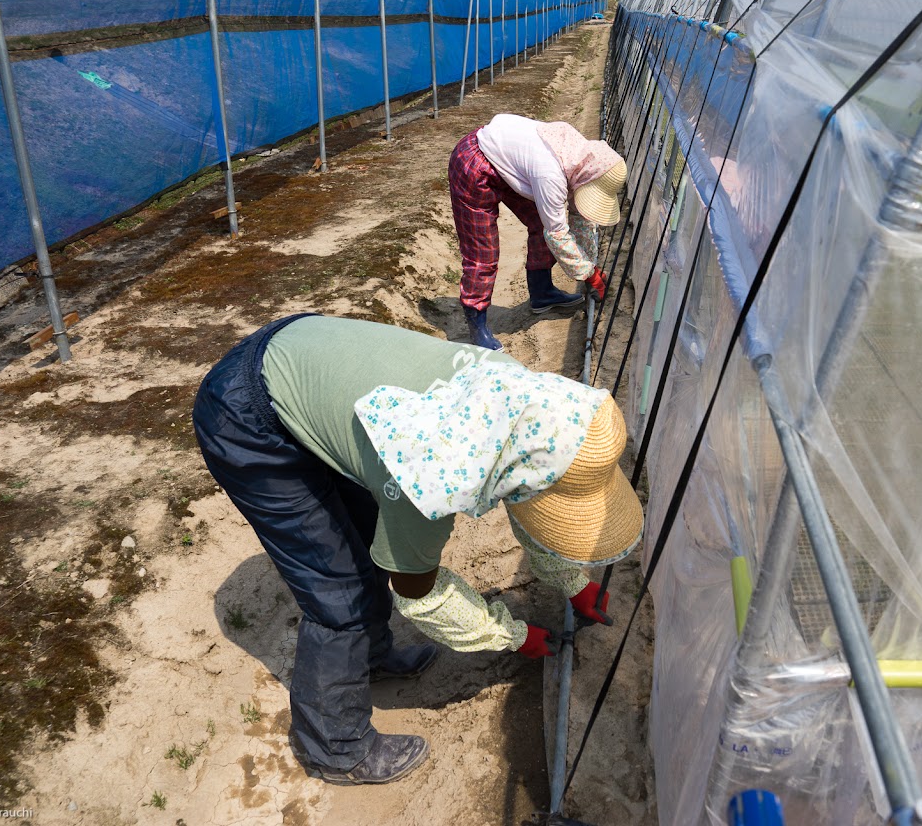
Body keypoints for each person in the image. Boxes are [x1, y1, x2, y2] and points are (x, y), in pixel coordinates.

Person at [192, 314, 644, 786]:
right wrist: (510, 635)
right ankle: (334, 748)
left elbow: (526, 497)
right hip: (248, 417)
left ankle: (369, 656)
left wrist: (574, 584)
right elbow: (419, 592)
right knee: (340, 592)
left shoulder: (522, 404)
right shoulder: (426, 483)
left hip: (307, 357)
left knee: (367, 542)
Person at [449, 113, 628, 351]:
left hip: (507, 159)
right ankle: (476, 321)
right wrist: (588, 274)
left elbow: (580, 218)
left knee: (541, 222)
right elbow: (558, 235)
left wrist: (589, 263)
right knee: (483, 254)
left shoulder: (580, 159)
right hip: (473, 164)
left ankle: (542, 292)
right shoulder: (550, 174)